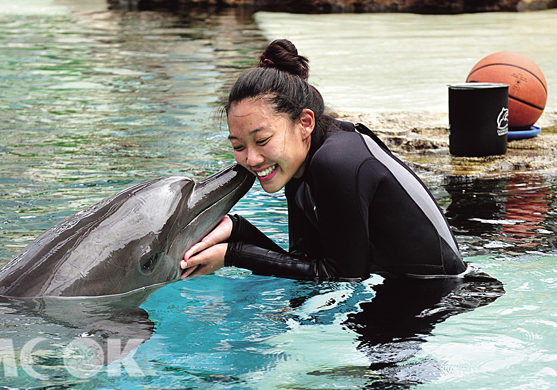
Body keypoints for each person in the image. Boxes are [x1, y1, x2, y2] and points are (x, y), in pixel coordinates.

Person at [180, 39, 466, 281]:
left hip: (436, 295)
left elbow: (343, 275)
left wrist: (234, 254)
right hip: (396, 287)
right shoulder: (299, 159)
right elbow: (303, 261)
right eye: (239, 146)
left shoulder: (335, 161)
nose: (251, 159)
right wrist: (237, 229)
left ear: (305, 122)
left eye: (263, 140)